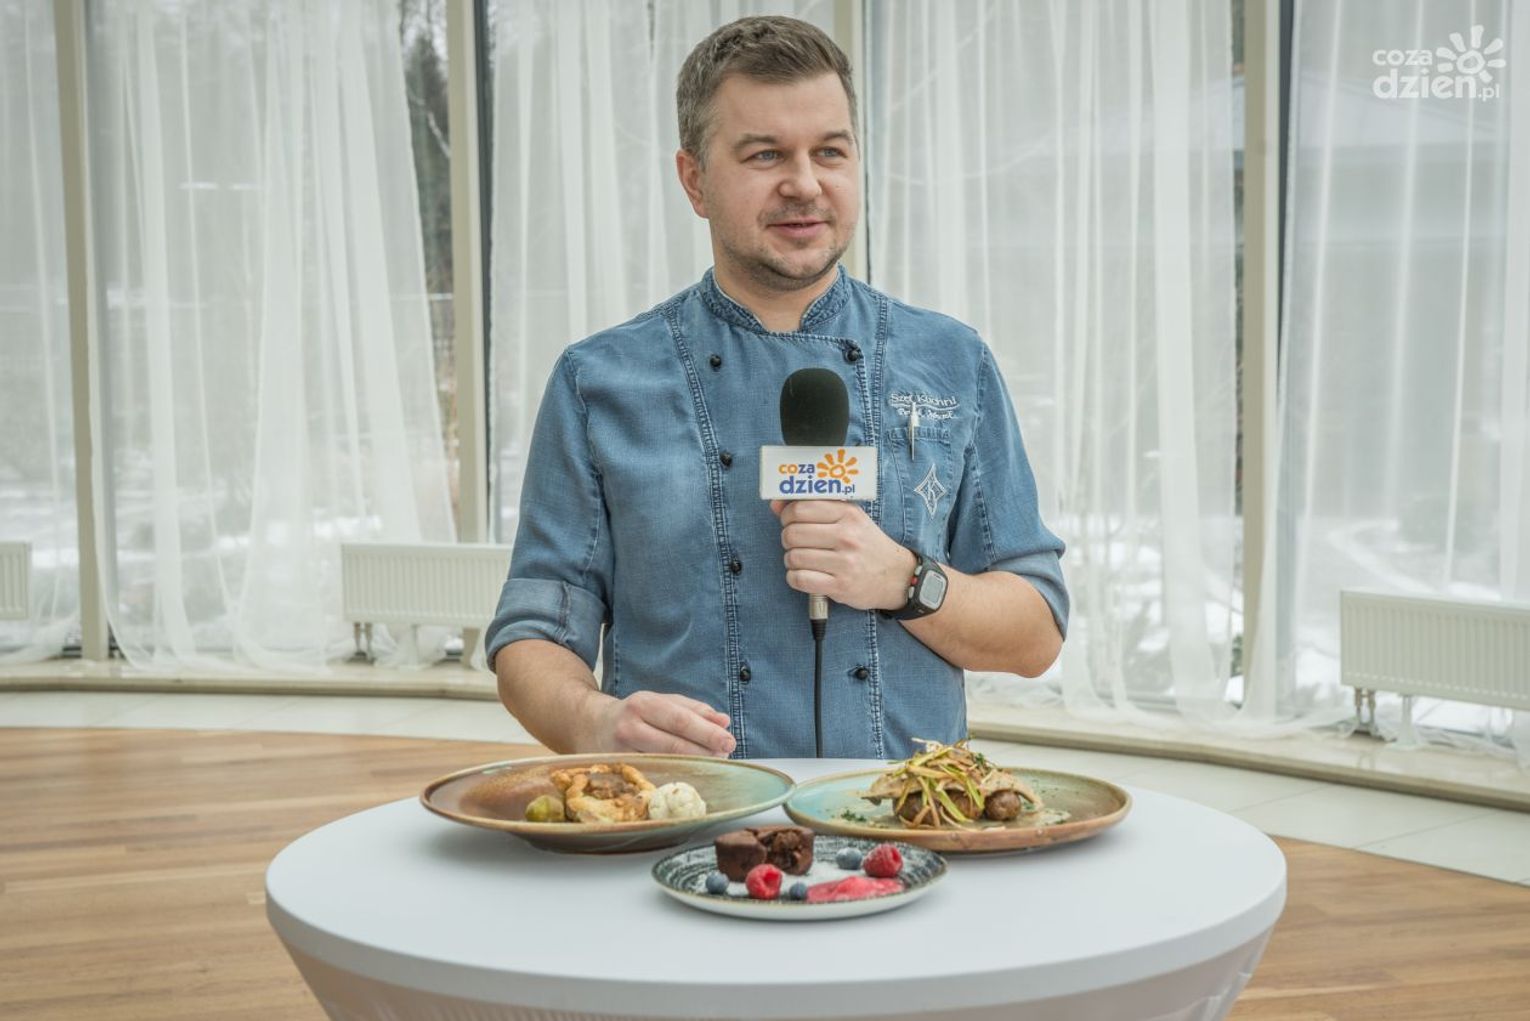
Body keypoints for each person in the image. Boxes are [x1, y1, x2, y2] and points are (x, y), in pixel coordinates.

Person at [485, 16, 1066, 760]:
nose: (805, 183)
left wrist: (904, 578)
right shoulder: (597, 381)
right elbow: (533, 630)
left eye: (830, 151)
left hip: (904, 814)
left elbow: (1037, 630)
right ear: (694, 179)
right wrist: (593, 722)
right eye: (765, 154)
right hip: (691, 811)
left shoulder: (953, 361)